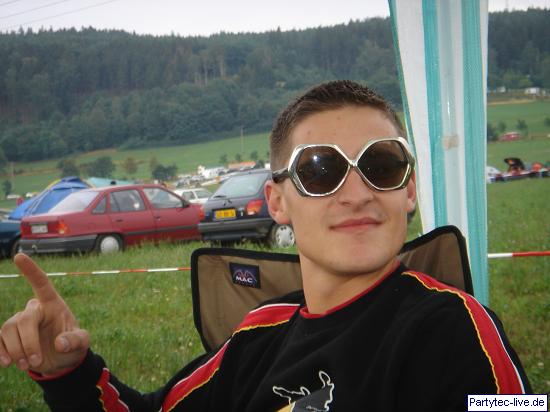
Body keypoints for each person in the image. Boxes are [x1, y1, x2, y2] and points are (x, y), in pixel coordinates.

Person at [0, 80, 530, 411]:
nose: (358, 193)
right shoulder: (256, 336)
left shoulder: (455, 329)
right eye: (320, 171)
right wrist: (68, 371)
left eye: (382, 165)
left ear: (408, 191)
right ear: (277, 202)